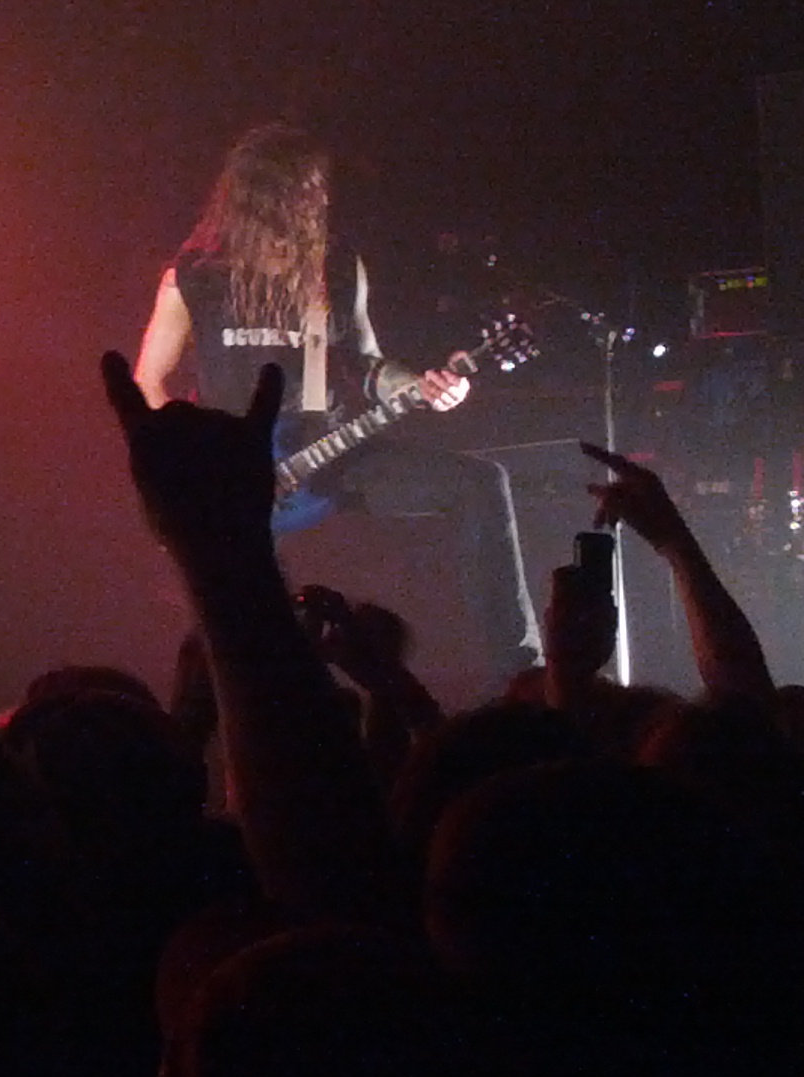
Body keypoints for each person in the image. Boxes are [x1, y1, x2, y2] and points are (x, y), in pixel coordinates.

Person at [130, 123, 539, 678]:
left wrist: (424, 386)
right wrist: (195, 466)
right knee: (251, 633)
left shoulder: (338, 265)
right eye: (305, 190)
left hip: (331, 451)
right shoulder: (194, 276)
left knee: (481, 482)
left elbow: (367, 364)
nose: (316, 204)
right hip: (238, 473)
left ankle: (522, 671)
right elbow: (148, 381)